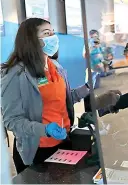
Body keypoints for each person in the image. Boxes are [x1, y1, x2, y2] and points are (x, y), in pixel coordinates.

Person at [1, 18, 90, 174]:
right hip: (37, 150)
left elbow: (63, 99)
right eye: (47, 33)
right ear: (31, 39)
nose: (53, 38)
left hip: (63, 143)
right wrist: (44, 129)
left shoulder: (55, 66)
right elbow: (12, 121)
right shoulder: (16, 74)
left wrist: (87, 88)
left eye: (53, 33)